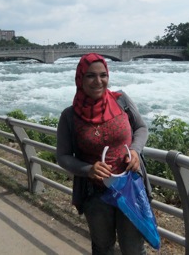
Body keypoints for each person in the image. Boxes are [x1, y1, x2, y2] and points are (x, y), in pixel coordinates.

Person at [56, 53, 149, 255]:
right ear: (80, 79)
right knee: (103, 249)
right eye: (90, 76)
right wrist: (88, 169)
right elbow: (62, 156)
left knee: (134, 249)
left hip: (130, 190)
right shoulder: (69, 116)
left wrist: (134, 150)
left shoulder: (121, 101)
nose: (98, 81)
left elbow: (141, 128)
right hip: (96, 194)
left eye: (103, 75)